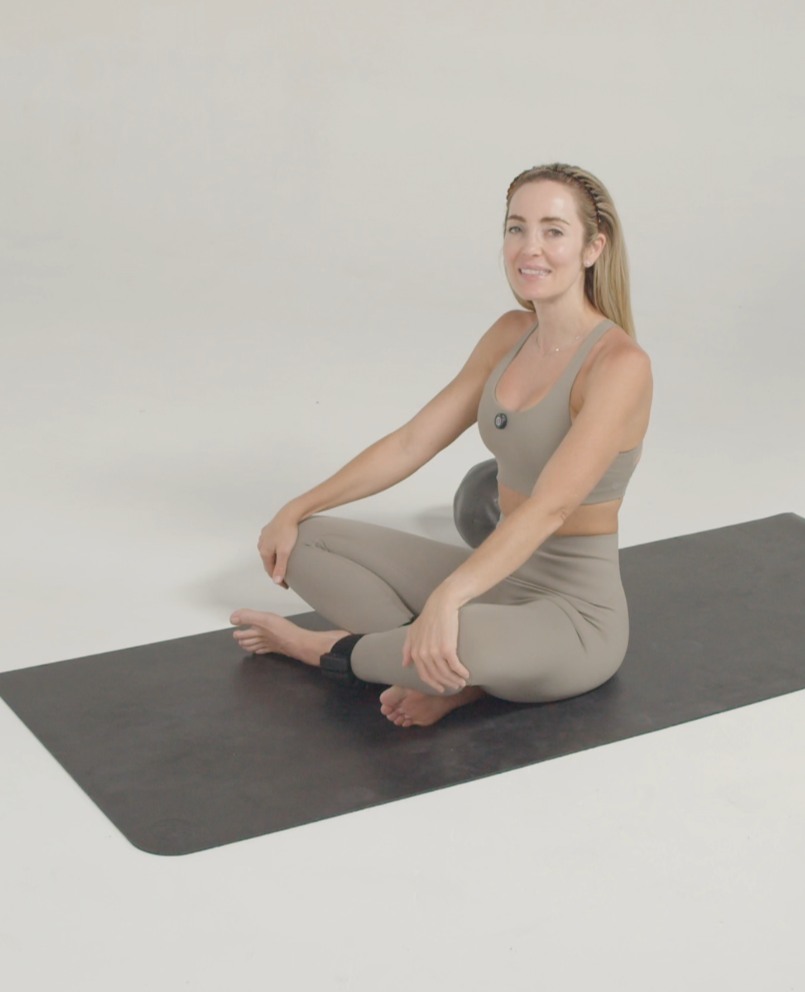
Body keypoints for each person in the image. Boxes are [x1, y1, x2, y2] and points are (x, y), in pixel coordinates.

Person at [229, 163, 651, 728]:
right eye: (516, 228)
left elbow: (550, 507)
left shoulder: (619, 365)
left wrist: (447, 598)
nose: (529, 247)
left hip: (574, 615)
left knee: (462, 633)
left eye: (553, 231)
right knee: (306, 542)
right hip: (494, 575)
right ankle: (447, 674)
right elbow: (411, 443)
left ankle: (322, 649)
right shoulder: (509, 335)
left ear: (592, 248)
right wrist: (295, 508)